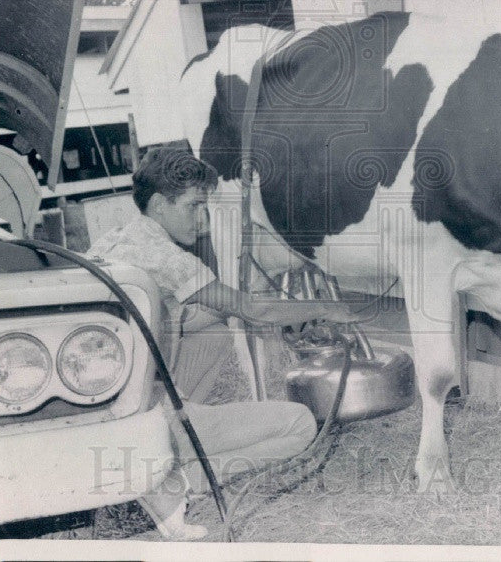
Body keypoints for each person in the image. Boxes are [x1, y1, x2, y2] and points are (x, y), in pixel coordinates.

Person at [88, 145, 352, 539]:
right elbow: (251, 309)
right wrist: (327, 308)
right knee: (299, 425)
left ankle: (161, 459)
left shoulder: (114, 242)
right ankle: (176, 479)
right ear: (160, 204)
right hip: (145, 416)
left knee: (214, 330)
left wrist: (279, 317)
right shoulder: (171, 260)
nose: (204, 219)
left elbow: (209, 313)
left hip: (102, 412)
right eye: (194, 206)